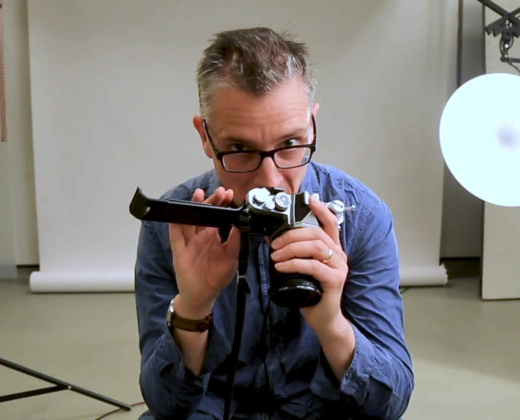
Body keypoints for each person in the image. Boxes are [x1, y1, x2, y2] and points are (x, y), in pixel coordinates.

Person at [135, 27, 413, 419]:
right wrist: (193, 309)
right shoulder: (173, 224)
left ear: (312, 127)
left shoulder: (361, 217)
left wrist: (331, 322)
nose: (270, 181)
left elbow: (391, 403)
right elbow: (165, 405)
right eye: (239, 149)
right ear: (205, 136)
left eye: (289, 145)